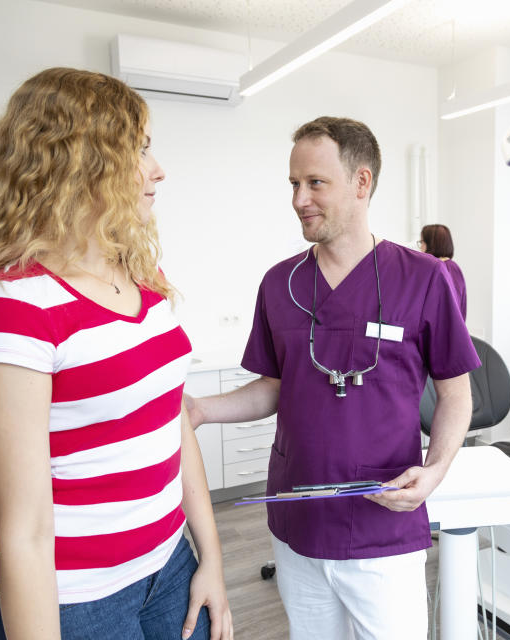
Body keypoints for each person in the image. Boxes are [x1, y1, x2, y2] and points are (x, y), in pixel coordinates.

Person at [0, 68, 232, 640]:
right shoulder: (10, 305)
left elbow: (172, 420)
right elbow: (26, 532)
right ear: (80, 162)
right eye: (139, 150)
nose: (157, 169)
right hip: (74, 600)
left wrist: (209, 556)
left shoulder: (140, 273)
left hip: (170, 567)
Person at [187, 116, 479, 639]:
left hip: (383, 524)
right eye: (294, 184)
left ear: (361, 183)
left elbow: (457, 394)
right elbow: (274, 388)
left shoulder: (424, 279)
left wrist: (434, 471)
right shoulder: (281, 284)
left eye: (315, 182)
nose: (300, 198)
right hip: (298, 520)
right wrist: (202, 410)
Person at [418, 224, 467, 320]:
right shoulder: (441, 267)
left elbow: (450, 309)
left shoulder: (449, 268)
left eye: (422, 242)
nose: (420, 247)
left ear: (432, 244)